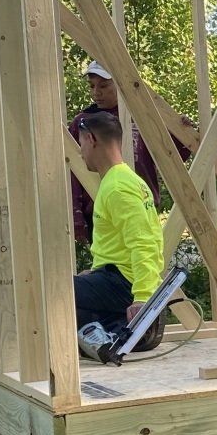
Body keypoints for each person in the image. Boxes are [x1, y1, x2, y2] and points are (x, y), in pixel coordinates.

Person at [71, 107, 164, 352]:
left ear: (91, 139)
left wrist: (143, 297)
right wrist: (93, 274)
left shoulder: (118, 188)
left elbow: (143, 242)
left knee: (53, 291)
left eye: (81, 144)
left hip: (123, 284)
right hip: (119, 278)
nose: (81, 153)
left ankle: (119, 333)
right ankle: (122, 327)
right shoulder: (124, 180)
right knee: (74, 297)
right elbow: (124, 243)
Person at [68, 60, 159, 243]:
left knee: (142, 252)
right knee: (112, 263)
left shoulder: (141, 116)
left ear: (119, 83)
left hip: (140, 203)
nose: (96, 92)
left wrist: (182, 129)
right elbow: (72, 170)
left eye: (103, 85)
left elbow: (172, 155)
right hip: (100, 207)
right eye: (92, 86)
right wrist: (76, 213)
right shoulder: (84, 123)